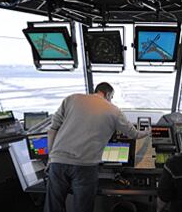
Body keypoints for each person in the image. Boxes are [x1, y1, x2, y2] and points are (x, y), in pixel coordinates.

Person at [44, 82, 150, 212]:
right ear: (108, 94)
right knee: (82, 208)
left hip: (58, 162)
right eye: (111, 97)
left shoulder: (71, 99)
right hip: (85, 166)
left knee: (53, 206)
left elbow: (53, 129)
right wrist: (147, 132)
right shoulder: (113, 110)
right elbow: (134, 134)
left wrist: (51, 159)